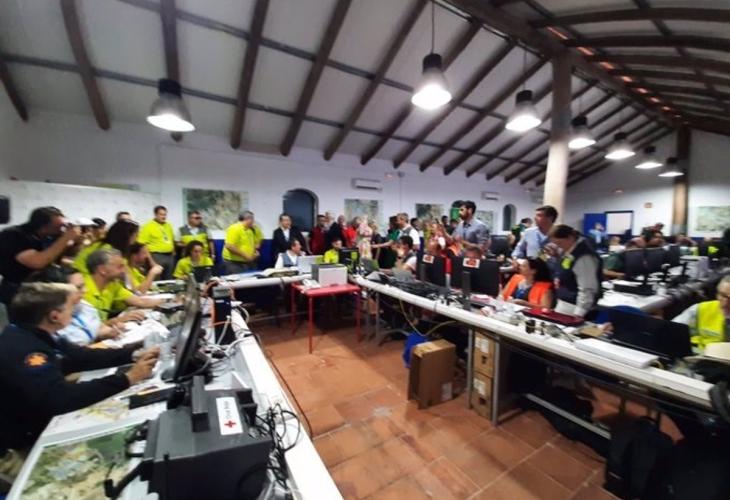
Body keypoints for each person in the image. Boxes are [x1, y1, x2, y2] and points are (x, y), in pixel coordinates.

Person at [0, 281, 159, 452]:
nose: (74, 311)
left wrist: (133, 354)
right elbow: (59, 398)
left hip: (38, 417)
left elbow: (81, 357)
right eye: (71, 307)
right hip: (21, 440)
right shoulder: (27, 351)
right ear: (54, 316)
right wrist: (128, 379)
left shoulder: (35, 332)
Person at [27, 265, 143, 345]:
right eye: (79, 287)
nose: (85, 290)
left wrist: (109, 332)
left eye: (84, 285)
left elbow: (97, 328)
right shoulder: (48, 319)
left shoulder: (82, 305)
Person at [0, 207, 82, 306]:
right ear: (44, 226)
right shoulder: (14, 235)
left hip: (43, 286)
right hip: (18, 289)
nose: (62, 229)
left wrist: (77, 241)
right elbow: (38, 262)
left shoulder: (50, 236)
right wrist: (66, 238)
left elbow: (65, 255)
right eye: (58, 226)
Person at [84, 249, 165, 320]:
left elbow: (140, 301)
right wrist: (118, 320)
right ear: (102, 270)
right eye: (120, 267)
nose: (124, 271)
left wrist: (168, 301)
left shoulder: (113, 285)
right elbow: (92, 328)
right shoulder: (83, 291)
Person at [549, 225, 602, 318]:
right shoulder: (570, 251)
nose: (558, 247)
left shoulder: (584, 257)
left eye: (559, 243)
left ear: (570, 238)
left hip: (575, 307)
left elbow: (587, 288)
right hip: (564, 303)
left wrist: (579, 313)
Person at [673, 275, 730, 350]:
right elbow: (673, 330)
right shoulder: (700, 309)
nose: (726, 302)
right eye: (722, 295)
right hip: (699, 355)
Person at [74, 219, 140, 275]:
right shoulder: (107, 249)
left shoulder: (111, 247)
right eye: (136, 234)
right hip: (82, 275)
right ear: (127, 235)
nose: (137, 237)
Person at [138, 206, 175, 279]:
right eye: (161, 214)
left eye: (165, 214)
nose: (163, 217)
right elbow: (143, 244)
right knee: (156, 279)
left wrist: (173, 252)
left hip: (169, 256)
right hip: (156, 256)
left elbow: (171, 240)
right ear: (155, 214)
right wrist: (151, 261)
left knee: (169, 279)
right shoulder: (147, 226)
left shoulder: (168, 225)